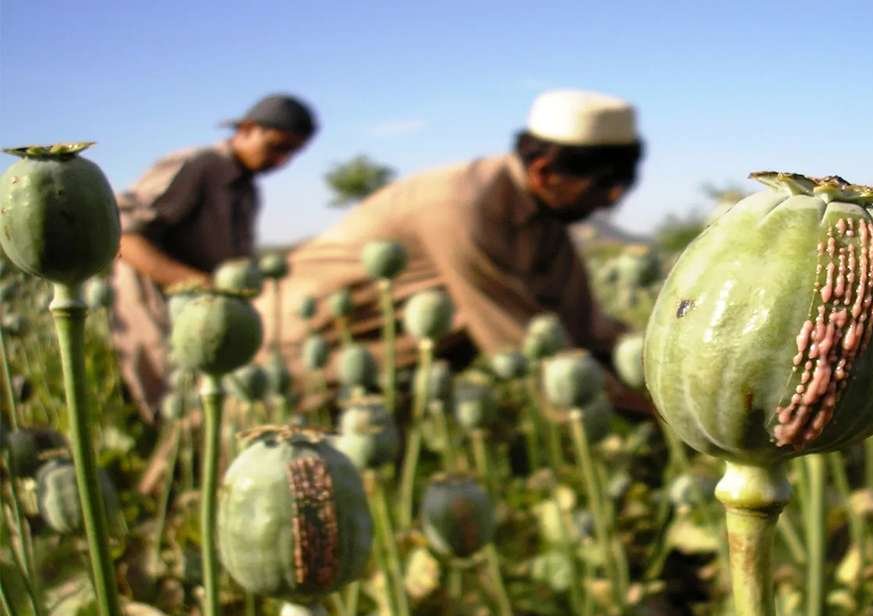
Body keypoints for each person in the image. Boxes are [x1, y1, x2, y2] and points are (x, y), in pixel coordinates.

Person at [260, 89, 643, 400]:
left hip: (383, 382)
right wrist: (667, 419)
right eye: (604, 187)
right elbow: (524, 349)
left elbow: (587, 328)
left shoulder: (547, 223)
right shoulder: (462, 207)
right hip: (290, 365)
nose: (611, 202)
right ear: (544, 172)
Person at [110, 94, 315, 421]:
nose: (281, 161)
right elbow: (122, 235)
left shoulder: (247, 190)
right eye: (276, 146)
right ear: (247, 129)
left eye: (291, 153)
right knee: (174, 417)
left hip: (209, 321)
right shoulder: (198, 166)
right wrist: (202, 285)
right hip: (160, 315)